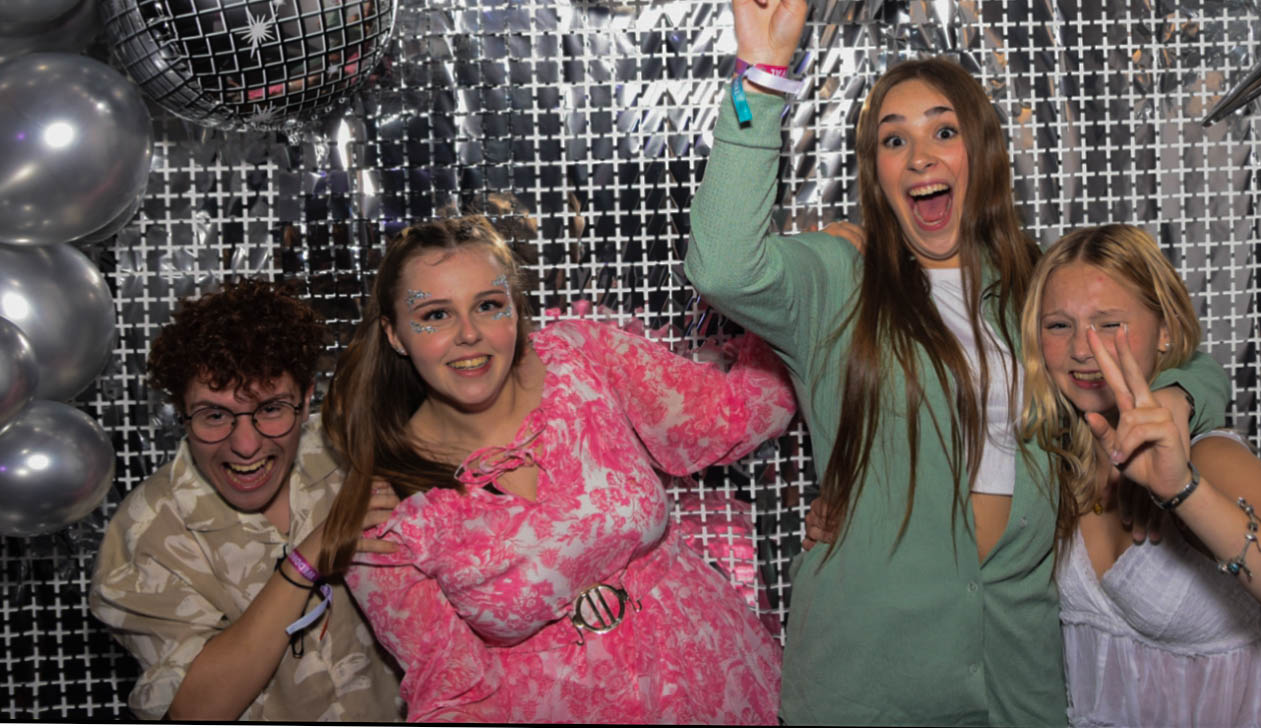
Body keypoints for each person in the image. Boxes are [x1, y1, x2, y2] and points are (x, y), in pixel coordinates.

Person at [683, 0, 1232, 725]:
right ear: (876, 173)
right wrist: (763, 73)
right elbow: (723, 266)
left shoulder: (1041, 285)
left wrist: (1177, 402)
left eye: (944, 131)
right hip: (865, 687)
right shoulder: (840, 280)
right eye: (893, 141)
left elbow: (1185, 359)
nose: (921, 157)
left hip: (1014, 682)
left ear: (981, 153)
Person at [316, 215, 796, 723]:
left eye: (488, 305)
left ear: (514, 309)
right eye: (436, 315)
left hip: (716, 682)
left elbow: (730, 417)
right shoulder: (387, 512)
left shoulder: (580, 359)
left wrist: (797, 285)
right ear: (394, 334)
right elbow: (451, 692)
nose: (469, 334)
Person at [1019, 225, 1261, 726]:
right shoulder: (1053, 462)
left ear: (1165, 330)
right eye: (1058, 325)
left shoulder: (1214, 460)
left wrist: (1183, 491)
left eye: (1109, 323)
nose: (1082, 349)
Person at [89, 278, 402, 721]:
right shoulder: (147, 533)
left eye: (271, 409)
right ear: (181, 412)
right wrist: (307, 560)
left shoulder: (359, 455)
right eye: (215, 415)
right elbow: (196, 711)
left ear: (306, 398)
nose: (246, 445)